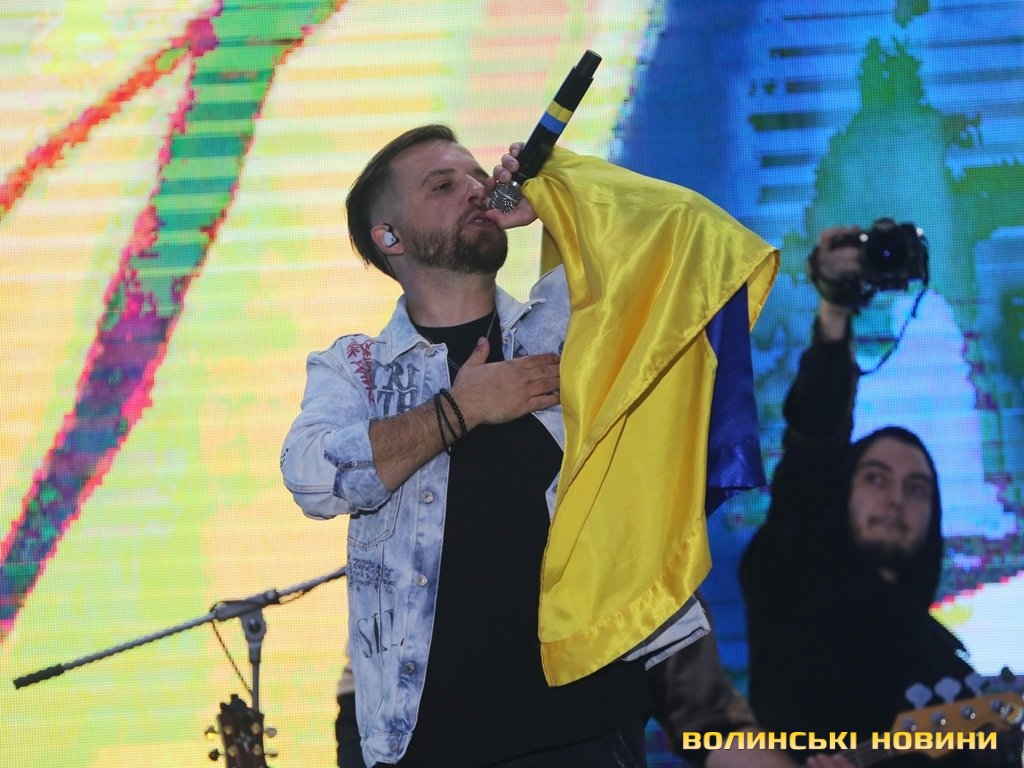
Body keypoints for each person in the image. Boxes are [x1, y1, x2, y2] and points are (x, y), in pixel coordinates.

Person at [281, 123, 779, 767]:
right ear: (390, 237)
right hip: (425, 741)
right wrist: (462, 408)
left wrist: (563, 190)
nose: (475, 188)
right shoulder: (357, 368)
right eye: (442, 185)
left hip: (583, 727)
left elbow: (694, 239)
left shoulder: (567, 324)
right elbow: (313, 478)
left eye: (475, 174)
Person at [738, 226, 1024, 767]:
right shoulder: (797, 578)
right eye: (875, 478)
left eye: (917, 488)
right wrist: (835, 311)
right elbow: (813, 446)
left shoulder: (947, 664)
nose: (896, 499)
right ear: (838, 494)